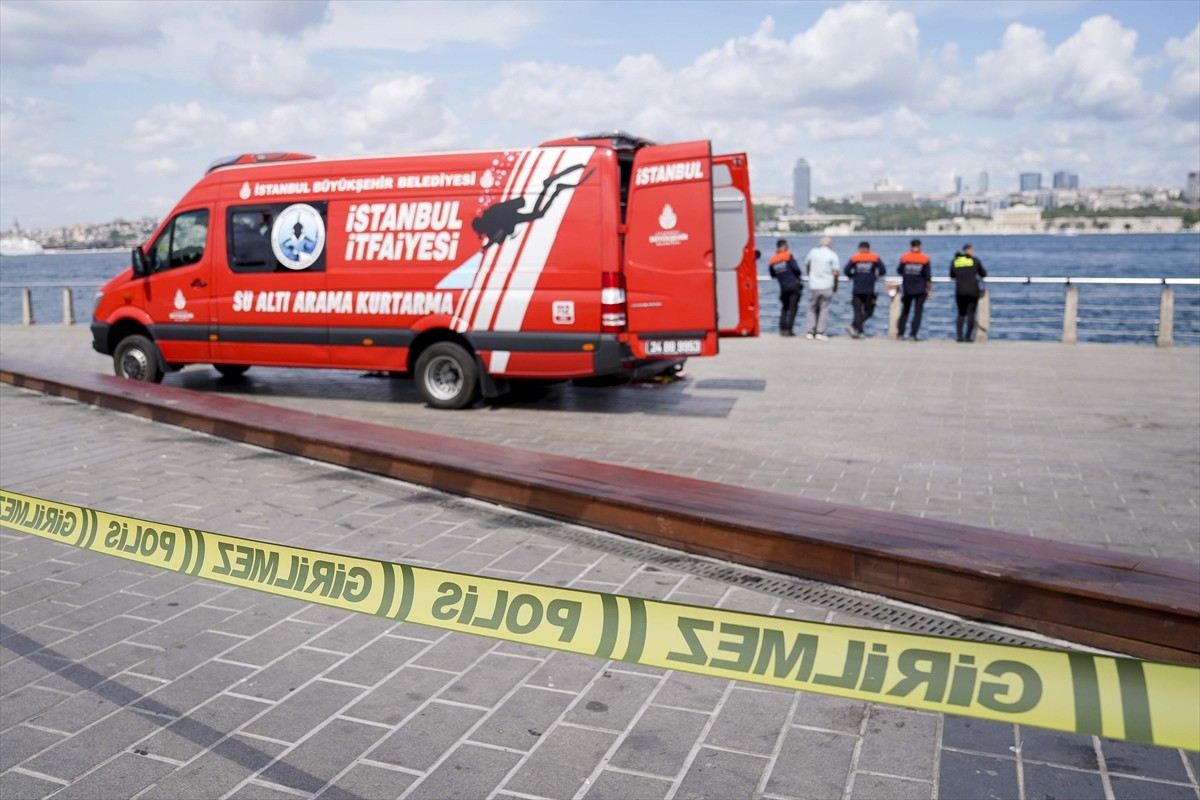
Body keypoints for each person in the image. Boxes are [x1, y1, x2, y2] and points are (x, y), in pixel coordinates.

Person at [843, 241, 886, 338]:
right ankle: (857, 329)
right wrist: (876, 276)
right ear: (869, 248)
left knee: (857, 312)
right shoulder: (874, 257)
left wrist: (853, 276)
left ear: (859, 248)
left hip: (857, 288)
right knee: (868, 312)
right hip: (869, 289)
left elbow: (846, 270)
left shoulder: (855, 258)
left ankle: (856, 329)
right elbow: (883, 270)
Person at [803, 236, 839, 339]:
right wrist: (836, 285)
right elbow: (836, 272)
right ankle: (820, 332)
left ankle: (810, 331)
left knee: (811, 308)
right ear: (830, 244)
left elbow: (807, 263)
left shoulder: (813, 252)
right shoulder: (833, 255)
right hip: (827, 284)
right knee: (824, 309)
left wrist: (810, 274)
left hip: (814, 284)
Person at [950, 243, 987, 342]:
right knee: (971, 313)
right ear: (970, 251)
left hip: (960, 291)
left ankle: (959, 336)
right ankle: (968, 337)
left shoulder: (956, 261)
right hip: (973, 290)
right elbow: (983, 273)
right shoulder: (974, 260)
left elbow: (952, 275)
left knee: (961, 313)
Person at [896, 238, 931, 340]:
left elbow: (899, 270)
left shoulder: (905, 257)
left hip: (907, 289)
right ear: (920, 247)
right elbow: (927, 276)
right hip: (920, 289)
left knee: (905, 312)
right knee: (918, 313)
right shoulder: (925, 258)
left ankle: (900, 333)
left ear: (910, 247)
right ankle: (913, 334)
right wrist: (929, 290)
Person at [767, 239, 802, 336]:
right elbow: (797, 270)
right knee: (793, 309)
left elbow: (772, 274)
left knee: (784, 308)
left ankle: (782, 329)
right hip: (793, 286)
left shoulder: (772, 260)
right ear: (784, 246)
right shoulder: (788, 256)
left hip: (783, 287)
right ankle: (789, 330)